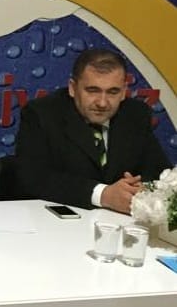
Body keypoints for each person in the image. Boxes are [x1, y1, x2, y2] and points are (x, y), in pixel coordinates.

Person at [15, 48, 171, 213]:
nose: (102, 103)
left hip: (118, 221)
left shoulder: (135, 114)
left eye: (113, 92)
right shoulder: (42, 114)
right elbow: (34, 178)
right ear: (73, 88)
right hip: (56, 219)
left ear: (124, 91)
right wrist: (103, 194)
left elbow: (160, 173)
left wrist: (141, 189)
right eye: (93, 90)